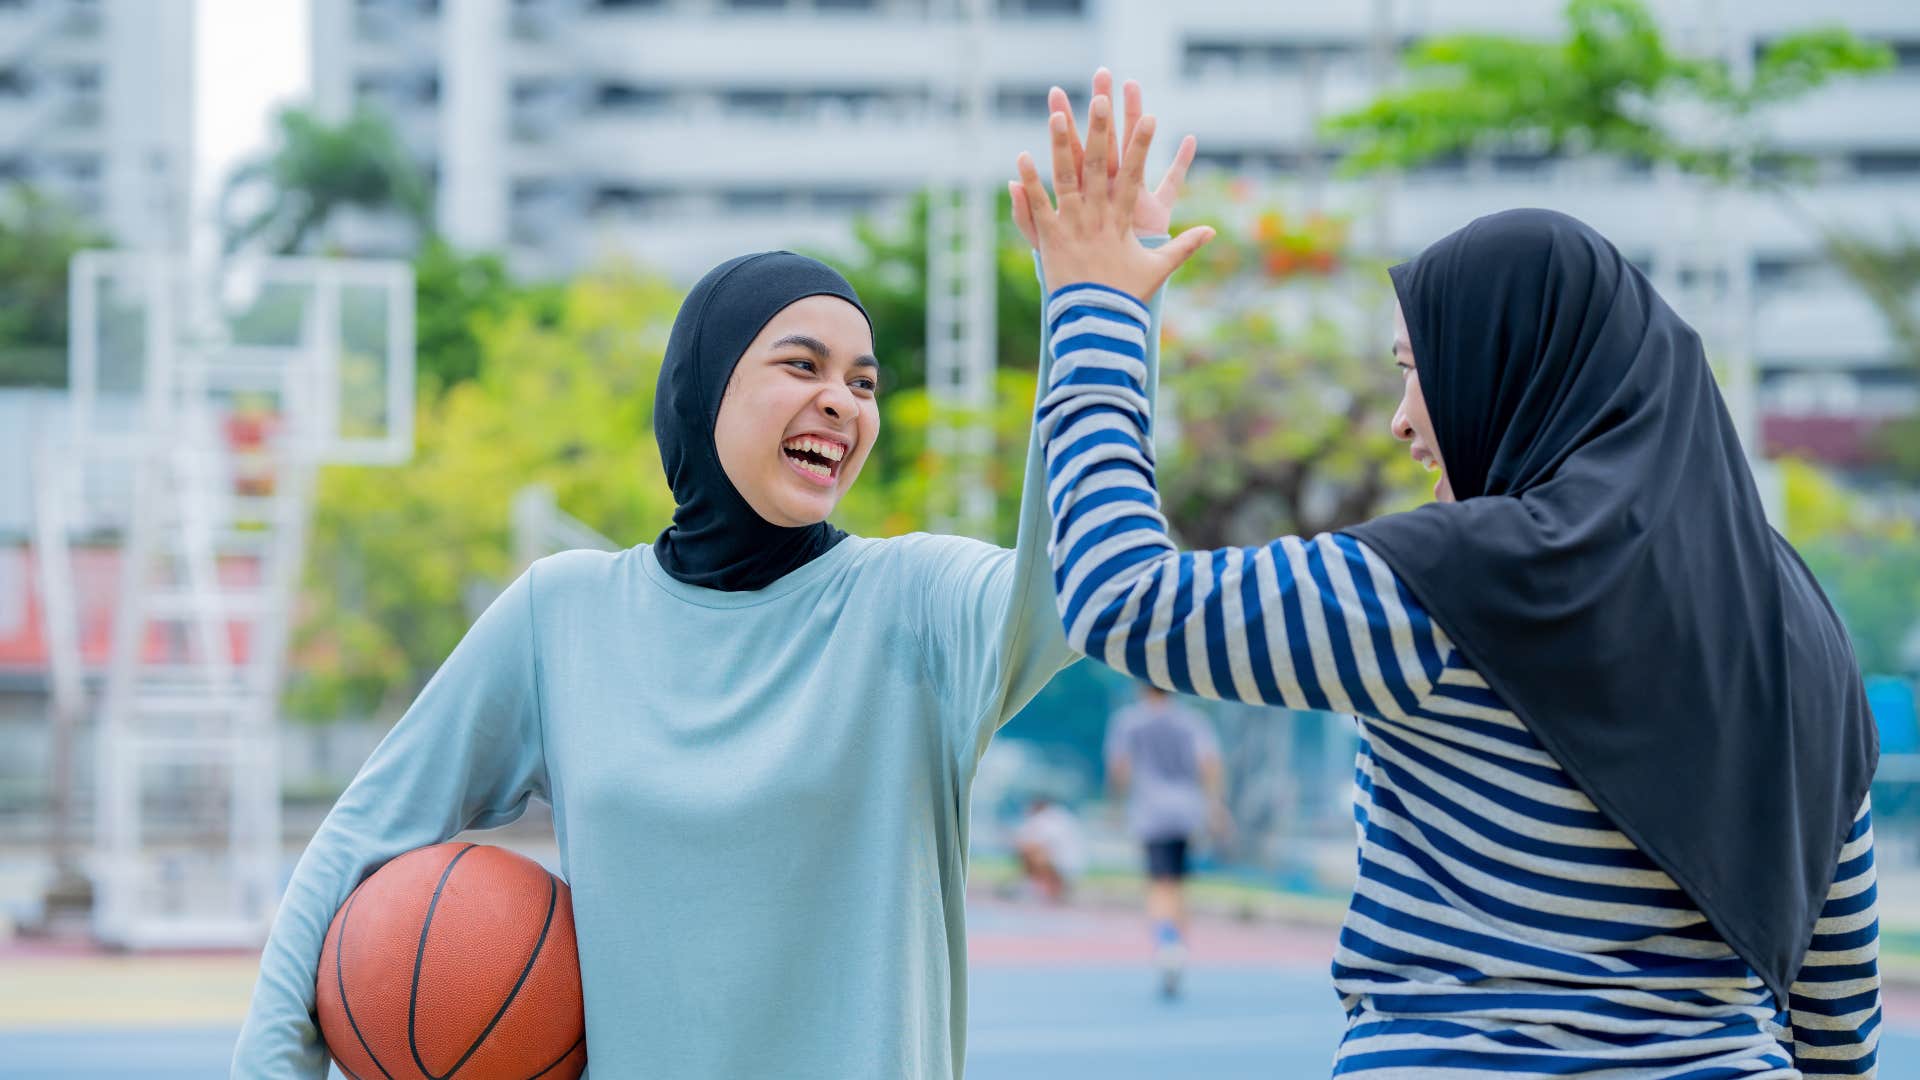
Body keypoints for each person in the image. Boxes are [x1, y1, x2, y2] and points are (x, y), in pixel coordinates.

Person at [232, 72, 1196, 1080]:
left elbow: (1075, 582)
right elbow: (353, 848)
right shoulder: (562, 619)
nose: (843, 402)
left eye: (864, 383)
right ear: (705, 390)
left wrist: (1102, 317)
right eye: (802, 365)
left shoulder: (911, 605)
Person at [1011, 104, 1880, 1075]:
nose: (1399, 419)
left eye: (1415, 371)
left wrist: (1093, 310)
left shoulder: (1453, 587)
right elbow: (1839, 1021)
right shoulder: (1806, 634)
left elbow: (1120, 600)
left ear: (1506, 373)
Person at [1105, 682, 1226, 997]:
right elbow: (1209, 763)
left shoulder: (1129, 721)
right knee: (1179, 883)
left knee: (1159, 884)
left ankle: (1167, 944)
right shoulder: (1193, 721)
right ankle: (1179, 948)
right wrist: (1214, 806)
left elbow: (1119, 767)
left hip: (1151, 810)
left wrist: (1116, 806)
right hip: (1187, 810)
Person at [1012, 796, 1087, 904]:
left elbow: (1028, 844)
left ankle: (1033, 886)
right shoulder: (1062, 816)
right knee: (1032, 852)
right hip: (1075, 867)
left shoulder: (1047, 818)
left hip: (1063, 866)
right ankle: (1039, 886)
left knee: (1029, 852)